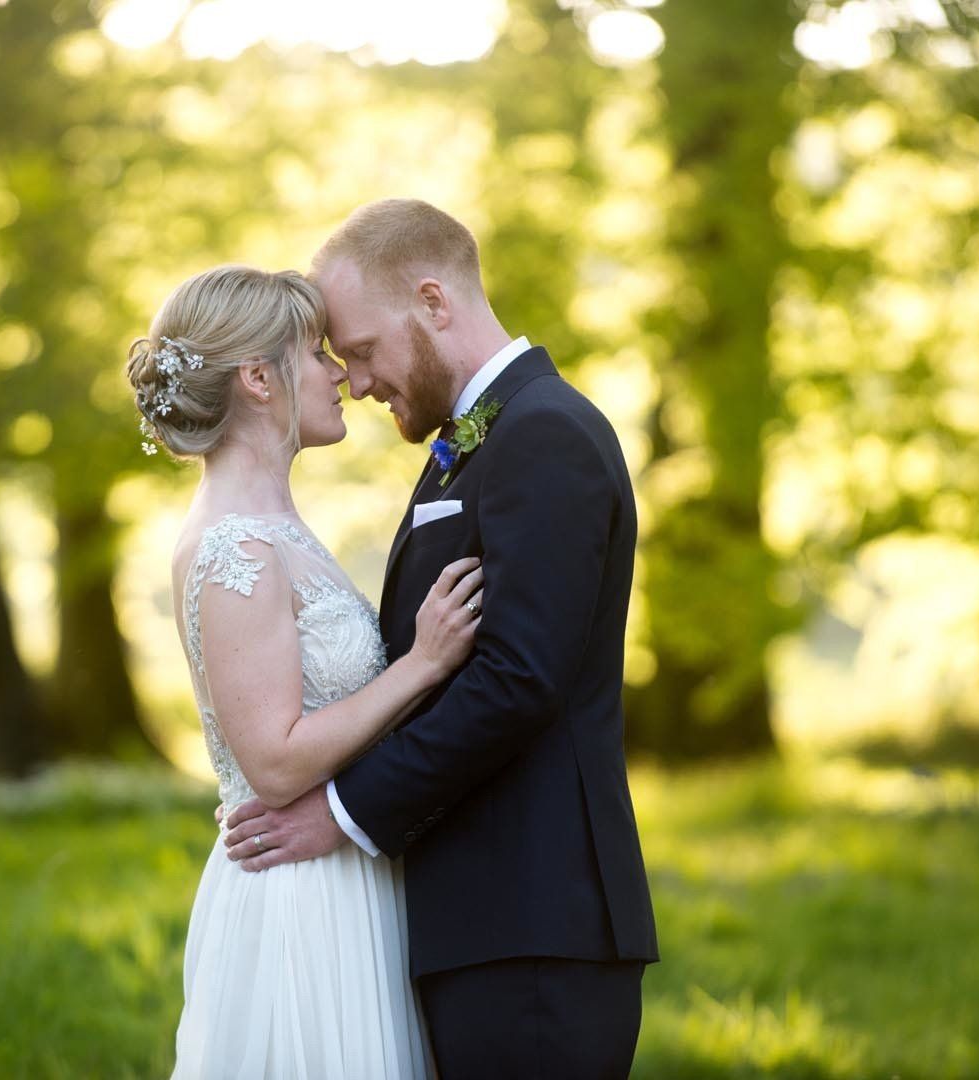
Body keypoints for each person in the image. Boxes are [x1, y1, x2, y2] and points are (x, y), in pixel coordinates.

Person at [218, 199, 660, 1078]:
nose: (355, 379)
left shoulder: (543, 434)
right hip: (484, 922)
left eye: (364, 349)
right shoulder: (482, 436)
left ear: (432, 300)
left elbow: (516, 679)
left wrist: (340, 815)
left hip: (534, 925)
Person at [127, 264, 486, 1079]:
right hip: (299, 898)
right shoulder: (233, 548)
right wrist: (422, 665)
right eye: (314, 354)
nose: (339, 375)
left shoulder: (272, 525)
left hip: (344, 874)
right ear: (258, 379)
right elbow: (275, 759)